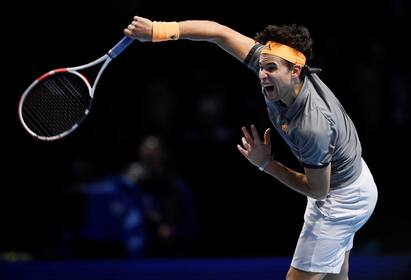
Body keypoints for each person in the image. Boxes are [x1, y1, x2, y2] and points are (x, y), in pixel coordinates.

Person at [124, 17, 378, 279]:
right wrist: (158, 30)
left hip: (341, 198)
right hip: (354, 182)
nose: (261, 74)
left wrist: (266, 164)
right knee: (335, 276)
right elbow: (218, 33)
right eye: (260, 67)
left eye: (270, 68)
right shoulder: (280, 69)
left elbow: (318, 190)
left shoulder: (312, 125)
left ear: (295, 70)